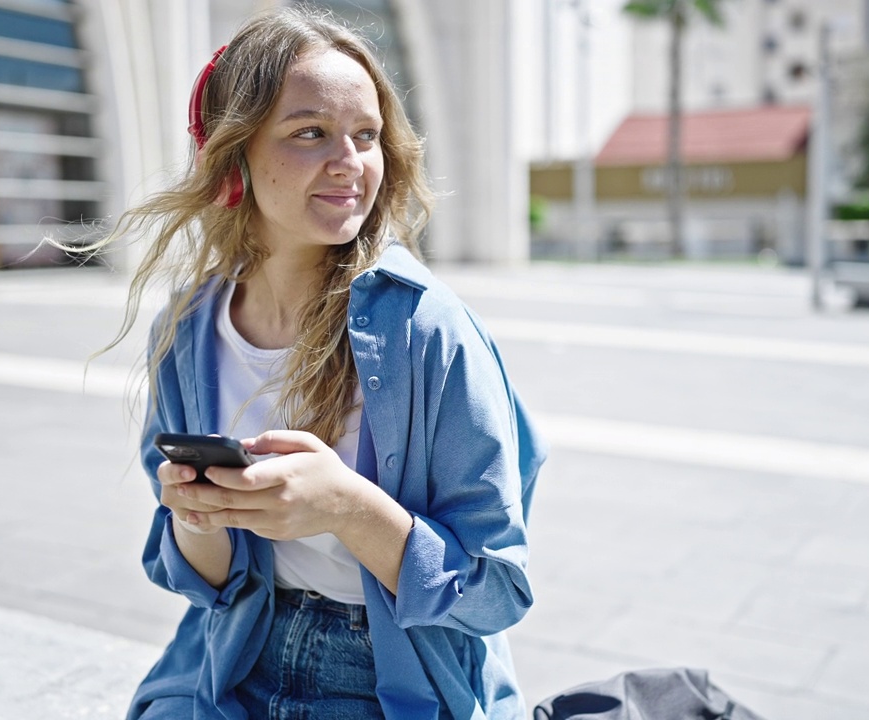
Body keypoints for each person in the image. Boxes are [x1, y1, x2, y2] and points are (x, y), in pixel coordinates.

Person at [94, 8, 545, 719]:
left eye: (366, 136)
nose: (351, 162)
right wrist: (196, 514)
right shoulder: (188, 329)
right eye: (310, 133)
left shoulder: (429, 329)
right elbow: (202, 584)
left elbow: (496, 592)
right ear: (232, 156)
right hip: (232, 658)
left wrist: (344, 505)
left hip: (394, 679)